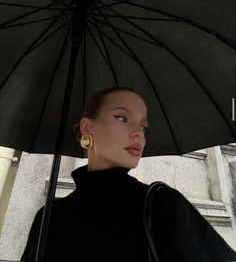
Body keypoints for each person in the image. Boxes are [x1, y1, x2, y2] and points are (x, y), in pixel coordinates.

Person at [21, 87, 236, 262]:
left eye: (144, 127)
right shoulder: (48, 217)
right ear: (87, 127)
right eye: (122, 118)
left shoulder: (162, 206)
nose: (138, 133)